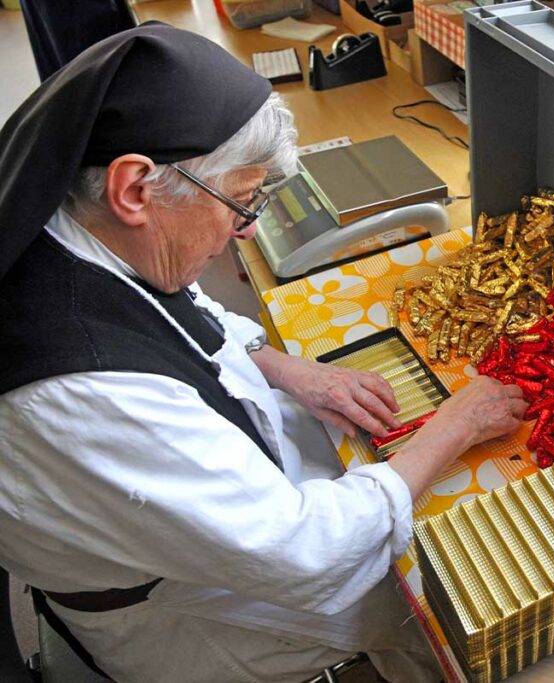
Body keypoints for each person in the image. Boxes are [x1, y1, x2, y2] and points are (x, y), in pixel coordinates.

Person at [0, 22, 526, 683]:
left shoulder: (75, 221)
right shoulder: (82, 391)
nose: (246, 228)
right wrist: (458, 425)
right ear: (134, 188)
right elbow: (305, 550)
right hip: (189, 615)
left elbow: (188, 309)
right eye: (238, 202)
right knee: (448, 593)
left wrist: (294, 370)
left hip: (192, 515)